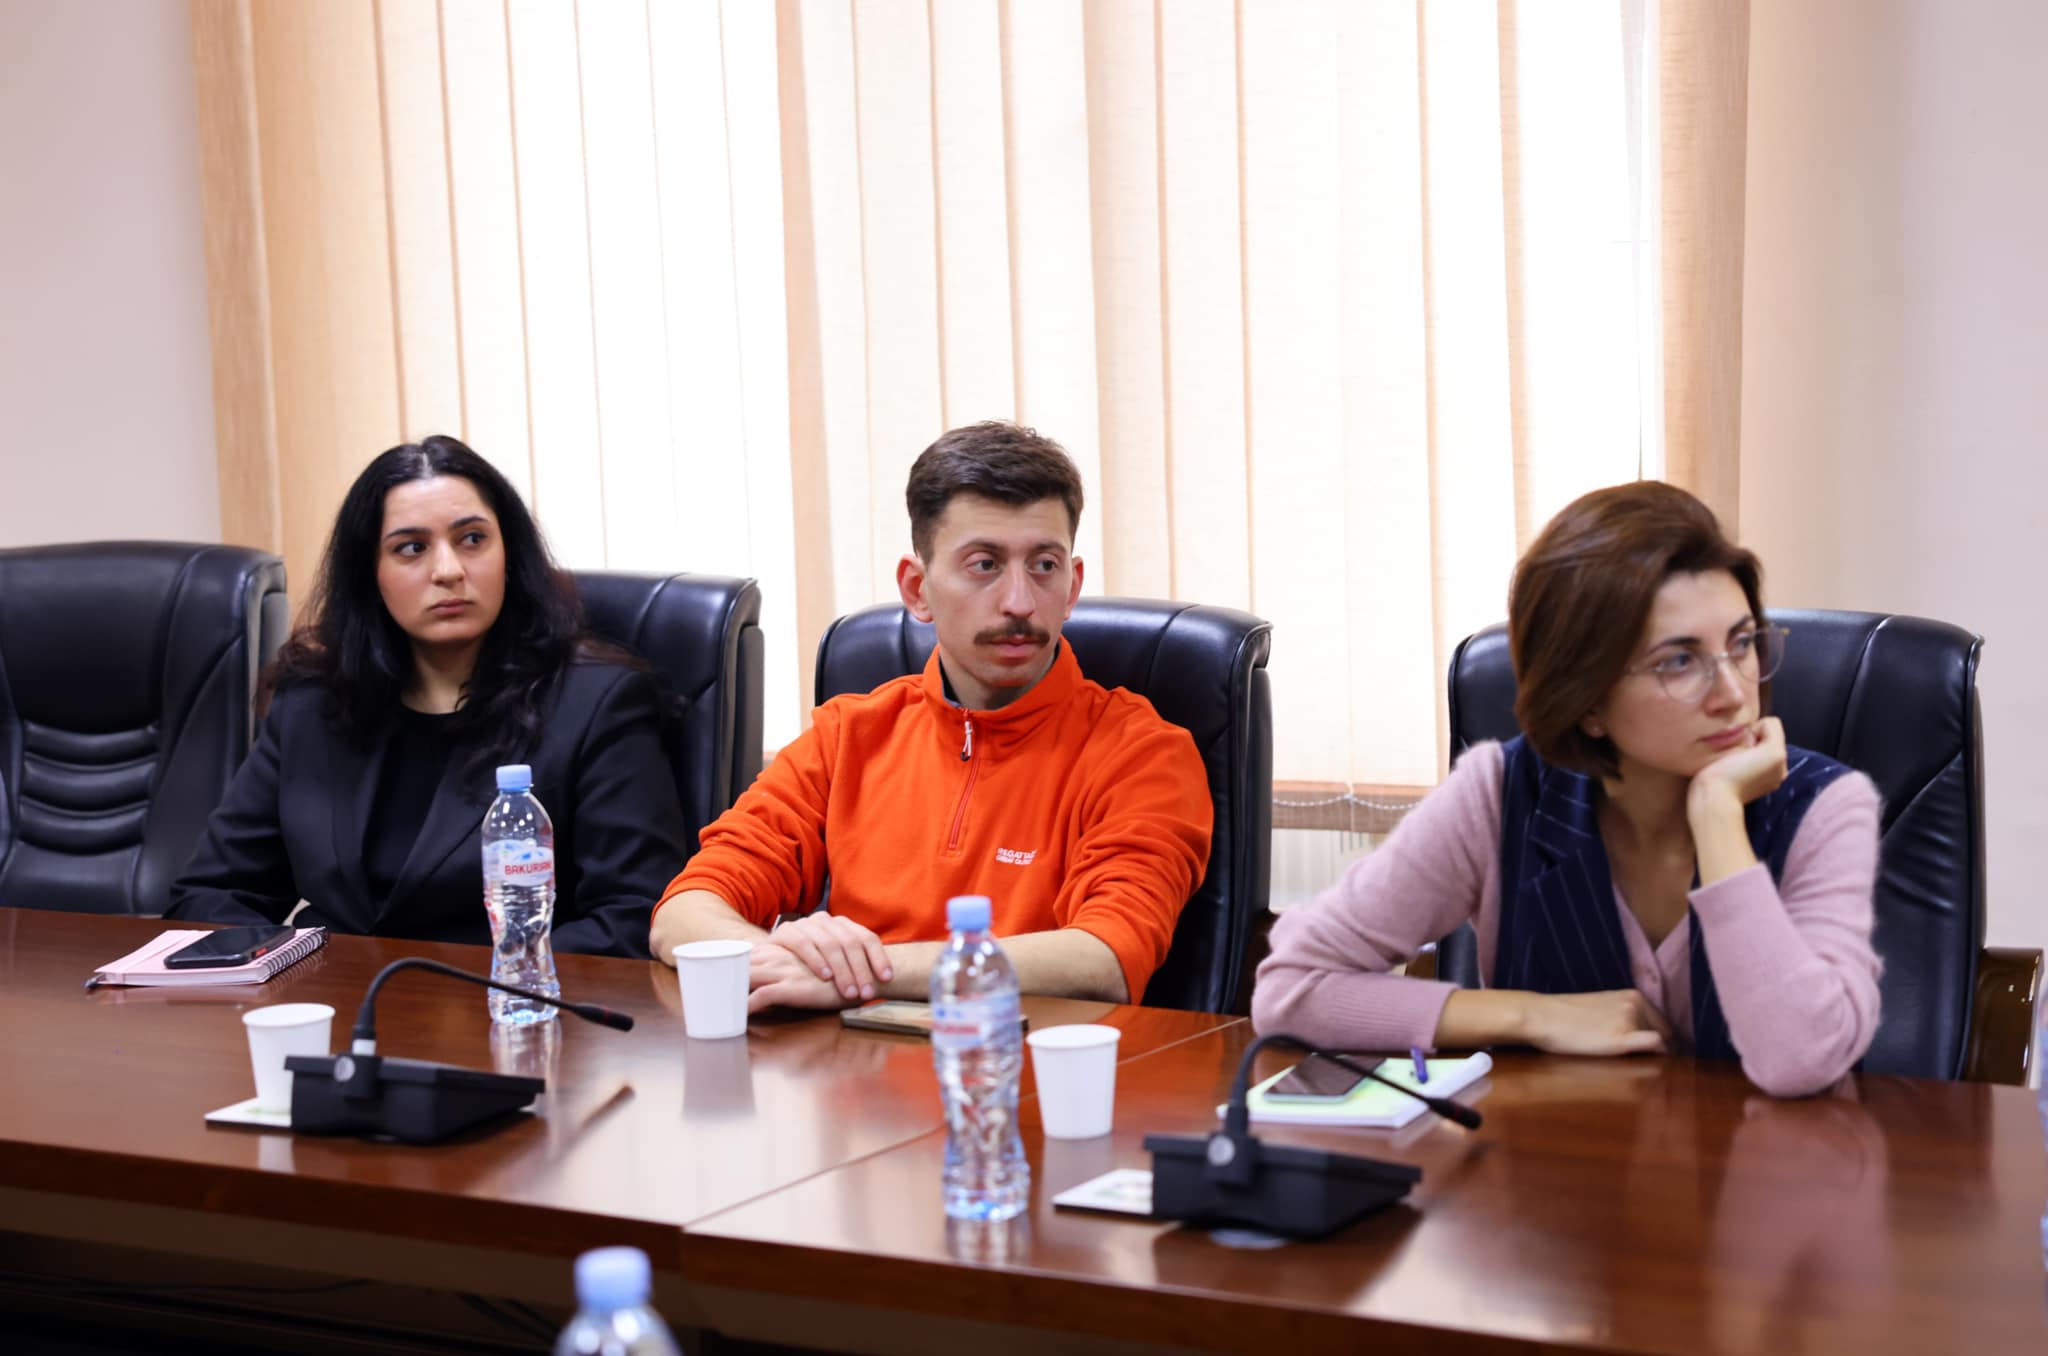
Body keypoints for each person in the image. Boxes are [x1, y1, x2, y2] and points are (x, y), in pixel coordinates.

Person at [1252, 481, 1882, 1097]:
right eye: (1679, 661)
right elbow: (1291, 988)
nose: (1734, 693)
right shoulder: (1498, 795)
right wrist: (1533, 1015)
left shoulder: (1825, 808)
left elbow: (1799, 1060)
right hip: (1557, 1159)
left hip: (1772, 1163)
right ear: (1588, 703)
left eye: (1741, 644)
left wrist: (1717, 816)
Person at [651, 421, 1213, 1010]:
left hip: (1021, 1059)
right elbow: (684, 911)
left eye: (1044, 565)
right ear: (917, 588)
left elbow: (1106, 957)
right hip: (850, 1061)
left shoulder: (1141, 751)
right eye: (984, 564)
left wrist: (861, 973)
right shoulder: (848, 736)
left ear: (1072, 587)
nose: (1020, 602)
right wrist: (774, 958)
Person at [167, 436, 687, 957]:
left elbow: (631, 918)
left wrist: (470, 986)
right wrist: (293, 972)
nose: (448, 570)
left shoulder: (598, 703)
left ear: (509, 554)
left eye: (472, 539)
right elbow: (212, 895)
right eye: (411, 548)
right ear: (370, 574)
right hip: (333, 999)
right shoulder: (312, 701)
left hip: (513, 1000)